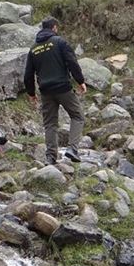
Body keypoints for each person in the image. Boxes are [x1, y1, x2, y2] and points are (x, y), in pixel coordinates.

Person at [22, 17, 87, 164]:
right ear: (54, 28)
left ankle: (50, 157)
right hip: (63, 88)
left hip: (45, 92)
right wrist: (80, 81)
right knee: (78, 116)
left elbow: (28, 75)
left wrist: (31, 93)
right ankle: (72, 149)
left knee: (50, 124)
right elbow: (72, 62)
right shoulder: (59, 42)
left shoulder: (33, 49)